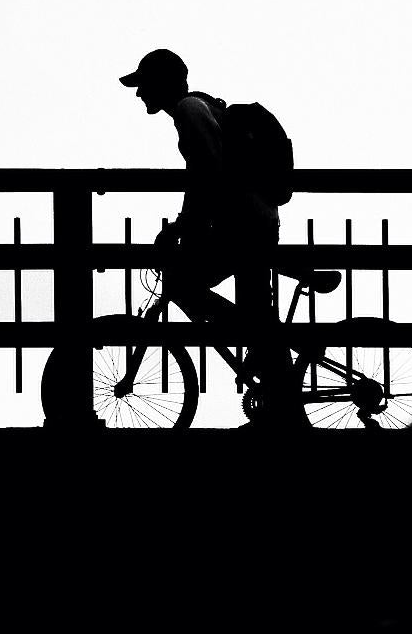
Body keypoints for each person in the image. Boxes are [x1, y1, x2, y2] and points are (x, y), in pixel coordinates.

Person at [119, 47, 305, 428]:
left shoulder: (189, 111)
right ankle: (279, 404)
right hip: (252, 220)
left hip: (243, 223)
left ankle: (276, 393)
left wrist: (183, 228)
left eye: (144, 85)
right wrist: (188, 225)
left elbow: (209, 174)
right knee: (256, 314)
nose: (140, 94)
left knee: (185, 284)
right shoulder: (200, 107)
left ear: (162, 83)